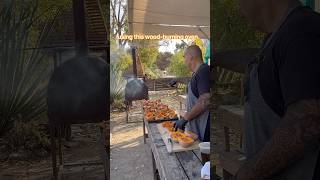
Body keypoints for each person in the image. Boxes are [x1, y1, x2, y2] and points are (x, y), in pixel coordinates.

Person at [215, 0, 320, 179]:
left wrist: (247, 174)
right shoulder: (279, 37)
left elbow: (307, 123)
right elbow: (255, 62)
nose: (237, 6)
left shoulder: (303, 32)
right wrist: (216, 60)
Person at [174, 45, 211, 142]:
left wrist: (185, 118)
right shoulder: (197, 72)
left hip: (205, 125)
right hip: (197, 123)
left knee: (205, 155)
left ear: (190, 56)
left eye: (184, 56)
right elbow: (193, 83)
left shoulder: (203, 71)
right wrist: (178, 80)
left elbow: (205, 101)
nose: (184, 60)